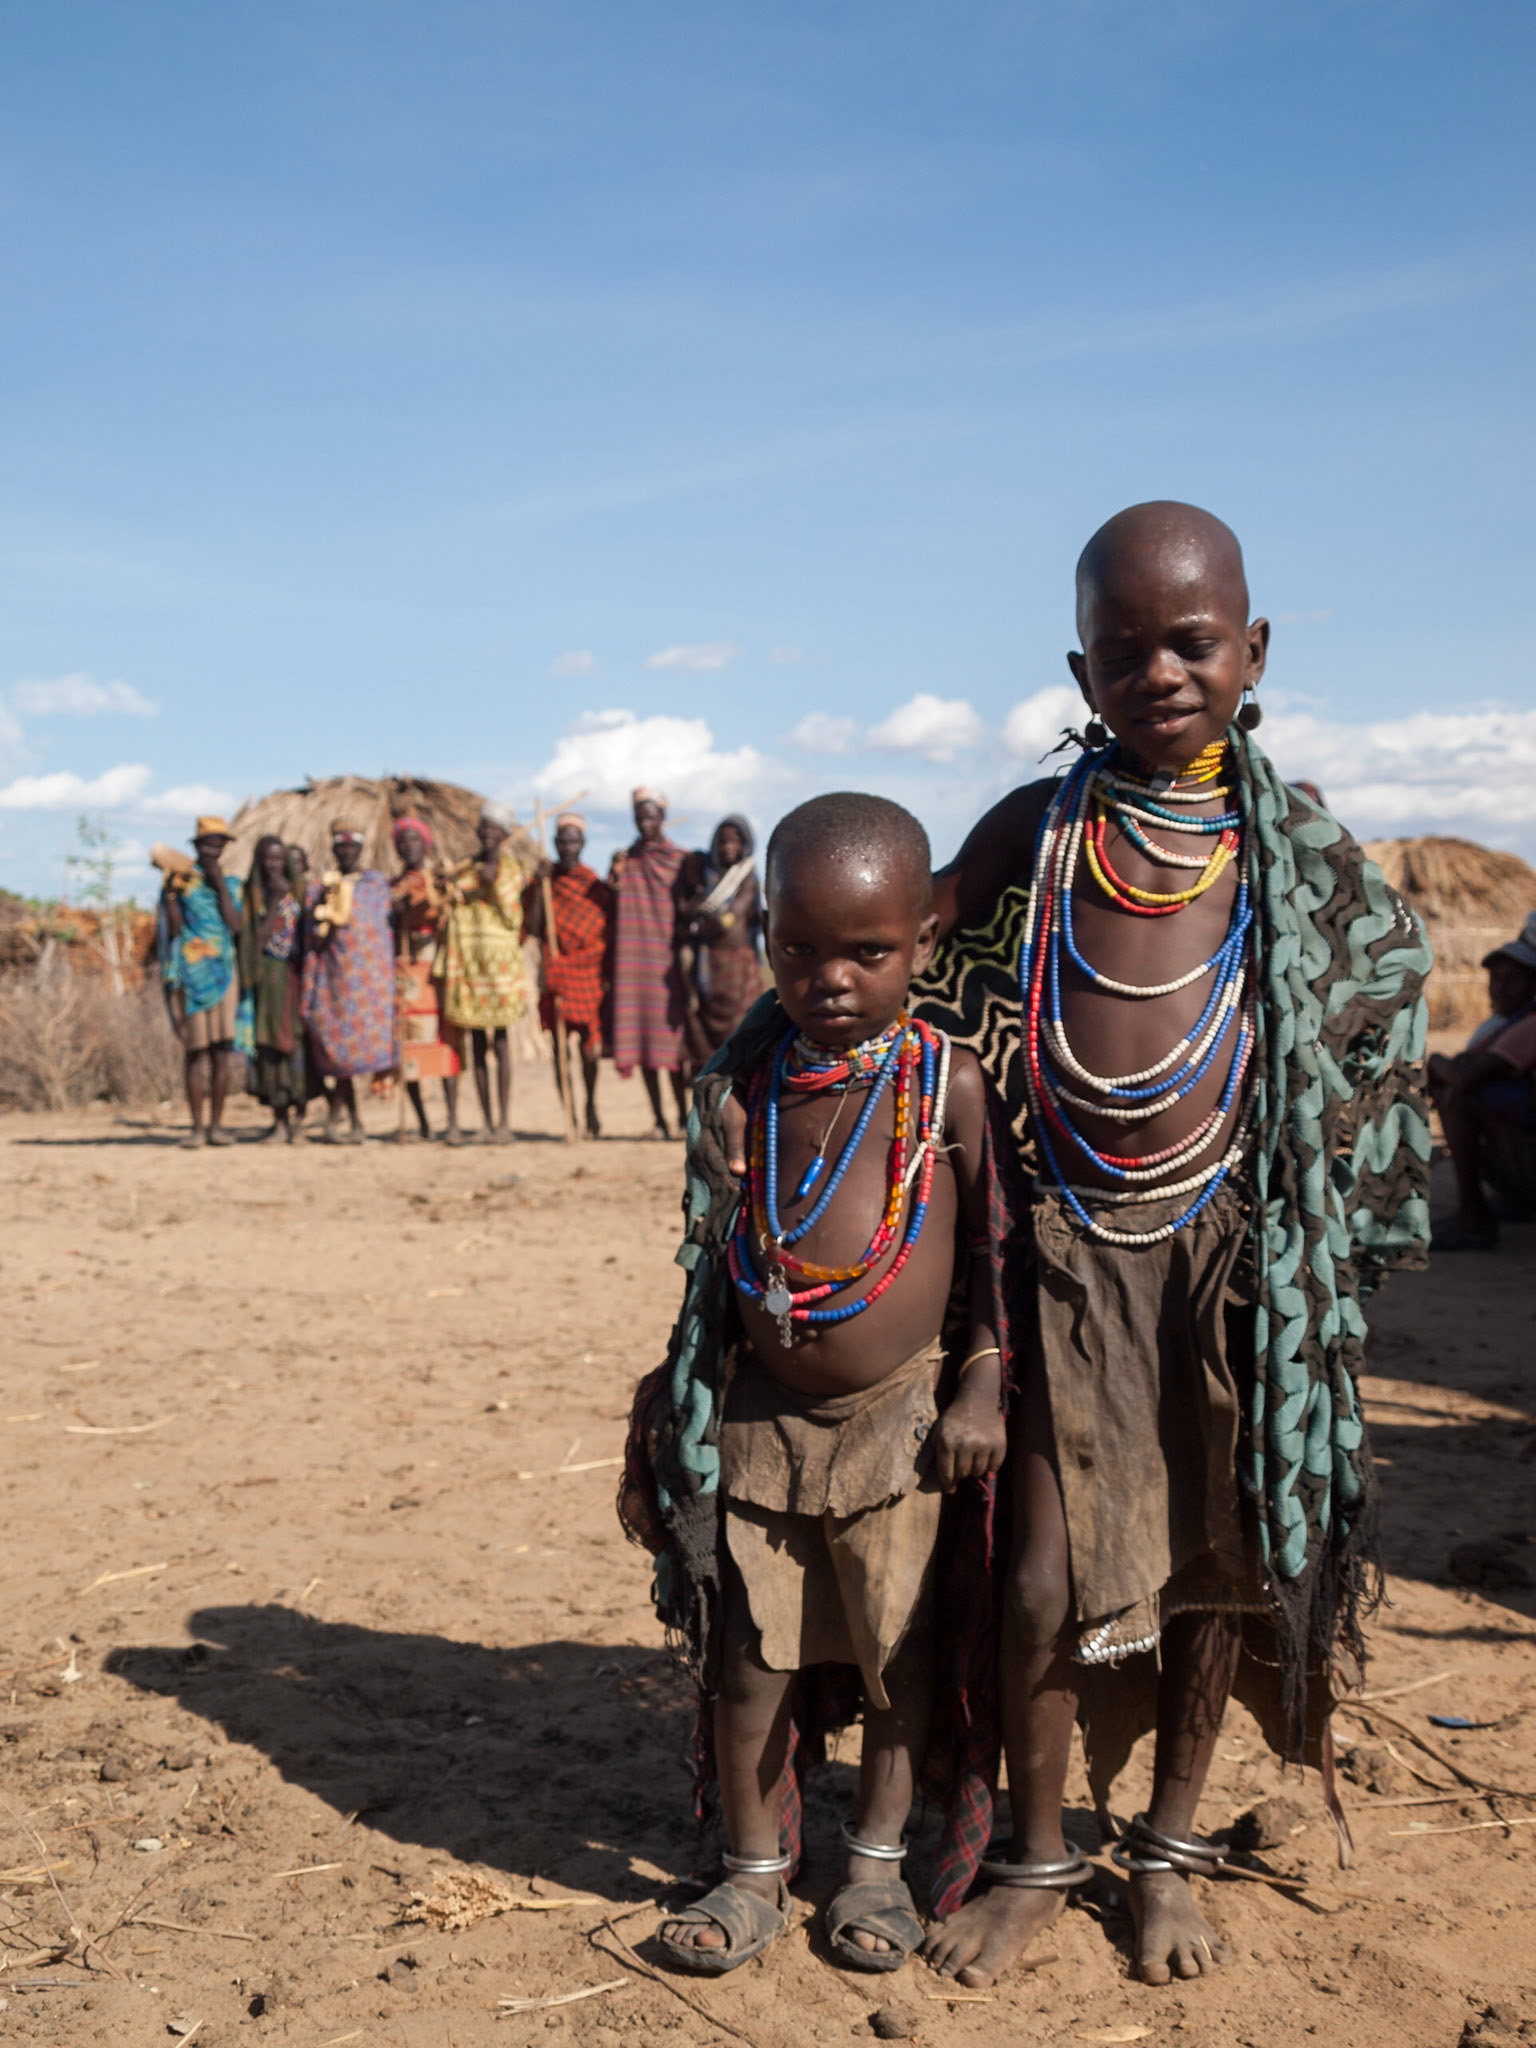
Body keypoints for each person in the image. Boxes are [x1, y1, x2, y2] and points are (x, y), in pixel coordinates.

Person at [914, 502, 1432, 1989]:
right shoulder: (1041, 827)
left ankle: (1169, 1851)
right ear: (1081, 672)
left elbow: (1382, 982)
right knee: (1041, 1582)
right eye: (1124, 649)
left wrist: (1319, 1202)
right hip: (1065, 1249)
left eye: (1192, 642)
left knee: (1218, 1570)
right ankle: (1032, 1856)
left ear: (1251, 649)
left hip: (1227, 1263)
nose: (1161, 673)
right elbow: (923, 955)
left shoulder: (1289, 841)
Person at [621, 793, 1007, 1977]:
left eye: (869, 950)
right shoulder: (748, 1091)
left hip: (900, 1427)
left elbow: (995, 1258)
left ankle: (878, 1864)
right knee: (749, 1661)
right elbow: (709, 1263)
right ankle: (752, 1869)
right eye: (798, 947)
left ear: (923, 945)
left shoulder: (945, 1087)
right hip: (761, 1427)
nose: (831, 976)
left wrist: (981, 1384)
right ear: (765, 938)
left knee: (901, 1659)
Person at [1426, 912, 1536, 1249]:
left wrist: (1435, 1060)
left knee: (1460, 1099)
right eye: (1495, 979)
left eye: (1512, 980)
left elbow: (1465, 1079)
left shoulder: (1530, 1024)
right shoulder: (1505, 1025)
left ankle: (1474, 1220)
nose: (1500, 988)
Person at [300, 819, 398, 1143]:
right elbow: (313, 938)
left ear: (361, 848)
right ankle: (349, 1119)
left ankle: (343, 1121)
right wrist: (322, 908)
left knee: (372, 1049)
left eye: (352, 846)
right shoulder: (319, 889)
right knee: (337, 1050)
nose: (347, 852)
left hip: (371, 987)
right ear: (333, 849)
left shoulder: (376, 886)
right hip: (334, 983)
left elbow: (382, 932)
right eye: (340, 847)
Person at [436, 801, 528, 1144]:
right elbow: (447, 904)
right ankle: (486, 1122)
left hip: (500, 967)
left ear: (504, 835)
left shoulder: (512, 870)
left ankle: (504, 1121)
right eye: (484, 827)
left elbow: (513, 918)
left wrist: (491, 886)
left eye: (495, 828)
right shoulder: (463, 870)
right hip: (470, 966)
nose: (488, 833)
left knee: (500, 1042)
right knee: (476, 1044)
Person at [158, 815, 250, 1148]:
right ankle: (196, 1128)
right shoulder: (182, 881)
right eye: (207, 843)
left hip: (225, 973)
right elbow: (175, 929)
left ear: (225, 847)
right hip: (192, 974)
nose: (213, 848)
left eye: (218, 843)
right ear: (197, 847)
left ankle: (217, 1126)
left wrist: (218, 882)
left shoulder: (234, 884)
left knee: (223, 1052)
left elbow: (236, 925)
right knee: (195, 1052)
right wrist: (170, 895)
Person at [523, 811, 612, 1138]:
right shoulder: (545, 882)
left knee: (589, 1049)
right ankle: (570, 1114)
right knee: (561, 1051)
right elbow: (533, 928)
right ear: (557, 844)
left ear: (583, 843)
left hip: (588, 972)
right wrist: (540, 882)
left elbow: (606, 927)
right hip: (557, 969)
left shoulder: (593, 885)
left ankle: (590, 1103)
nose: (568, 847)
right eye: (562, 841)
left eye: (574, 841)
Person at [609, 787, 689, 1138]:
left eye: (651, 816)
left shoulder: (681, 861)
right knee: (642, 1044)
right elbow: (609, 895)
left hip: (668, 962)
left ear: (663, 818)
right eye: (640, 817)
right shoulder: (625, 861)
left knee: (673, 1047)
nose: (645, 823)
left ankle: (685, 1117)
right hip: (633, 962)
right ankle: (658, 1119)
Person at [390, 815, 461, 1143]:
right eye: (403, 841)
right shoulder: (392, 887)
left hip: (436, 972)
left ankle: (453, 1121)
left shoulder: (442, 881)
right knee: (410, 1049)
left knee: (445, 1045)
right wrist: (397, 913)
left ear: (425, 844)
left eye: (414, 840)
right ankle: (421, 1122)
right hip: (406, 974)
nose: (409, 846)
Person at [677, 814, 765, 1065]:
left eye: (735, 842)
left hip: (739, 965)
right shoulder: (704, 876)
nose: (728, 848)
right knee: (701, 1030)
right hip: (707, 966)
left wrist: (698, 929)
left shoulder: (746, 877)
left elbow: (728, 920)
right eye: (723, 842)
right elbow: (689, 910)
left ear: (745, 844)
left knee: (742, 1029)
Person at [238, 834, 308, 1142]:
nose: (274, 864)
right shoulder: (253, 896)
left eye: (279, 858)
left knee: (299, 1045)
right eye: (268, 858)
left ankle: (300, 1121)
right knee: (269, 1047)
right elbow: (252, 942)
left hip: (298, 977)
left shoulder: (303, 892)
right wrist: (276, 902)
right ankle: (279, 1120)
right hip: (267, 979)